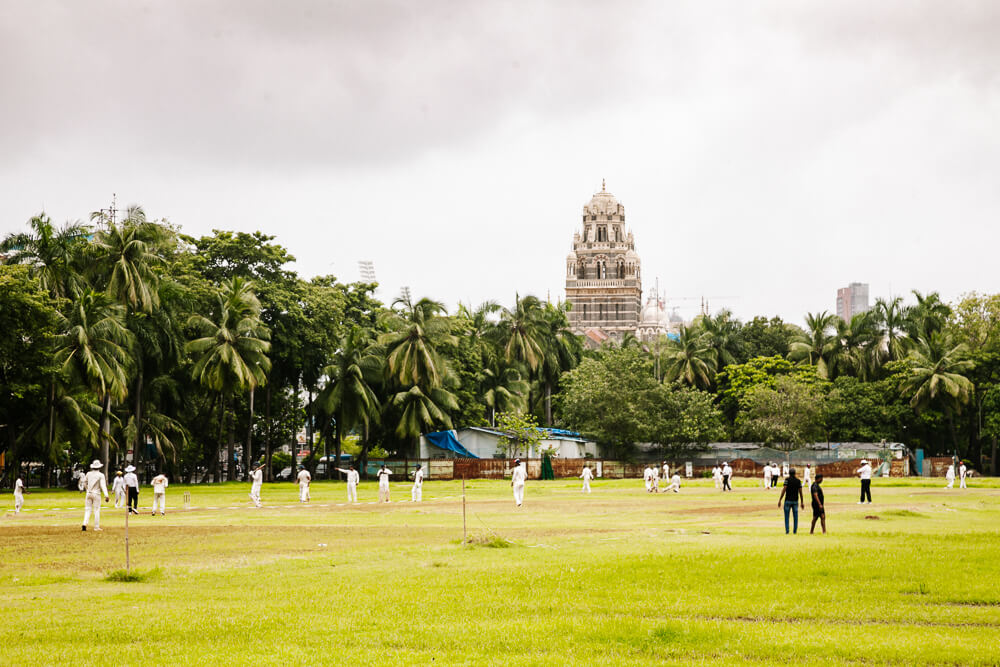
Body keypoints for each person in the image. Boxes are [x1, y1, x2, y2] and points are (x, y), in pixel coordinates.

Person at [81, 459, 109, 531]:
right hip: (96, 494)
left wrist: (87, 489)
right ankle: (96, 527)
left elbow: (84, 483)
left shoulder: (88, 474)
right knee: (96, 510)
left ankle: (84, 523)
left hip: (89, 493)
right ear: (99, 467)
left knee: (87, 509)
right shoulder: (101, 475)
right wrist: (106, 495)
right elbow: (103, 485)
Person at [777, 467, 805, 534]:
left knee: (787, 517)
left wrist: (780, 499)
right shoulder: (798, 481)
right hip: (795, 501)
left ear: (789, 473)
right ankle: (795, 531)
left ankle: (787, 531)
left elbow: (784, 489)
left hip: (788, 500)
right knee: (795, 517)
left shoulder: (787, 480)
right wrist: (802, 501)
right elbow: (800, 492)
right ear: (795, 473)